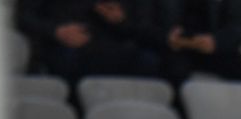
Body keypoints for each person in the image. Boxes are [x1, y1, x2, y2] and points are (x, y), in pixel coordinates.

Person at [15, 0, 163, 84]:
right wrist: (57, 31)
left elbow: (144, 28)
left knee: (149, 61)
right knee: (67, 60)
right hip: (67, 46)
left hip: (116, 47)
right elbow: (24, 17)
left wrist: (121, 21)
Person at [138, 0, 241, 85]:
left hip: (212, 49)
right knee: (174, 72)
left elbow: (240, 25)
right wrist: (167, 37)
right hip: (172, 49)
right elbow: (144, 23)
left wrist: (216, 41)